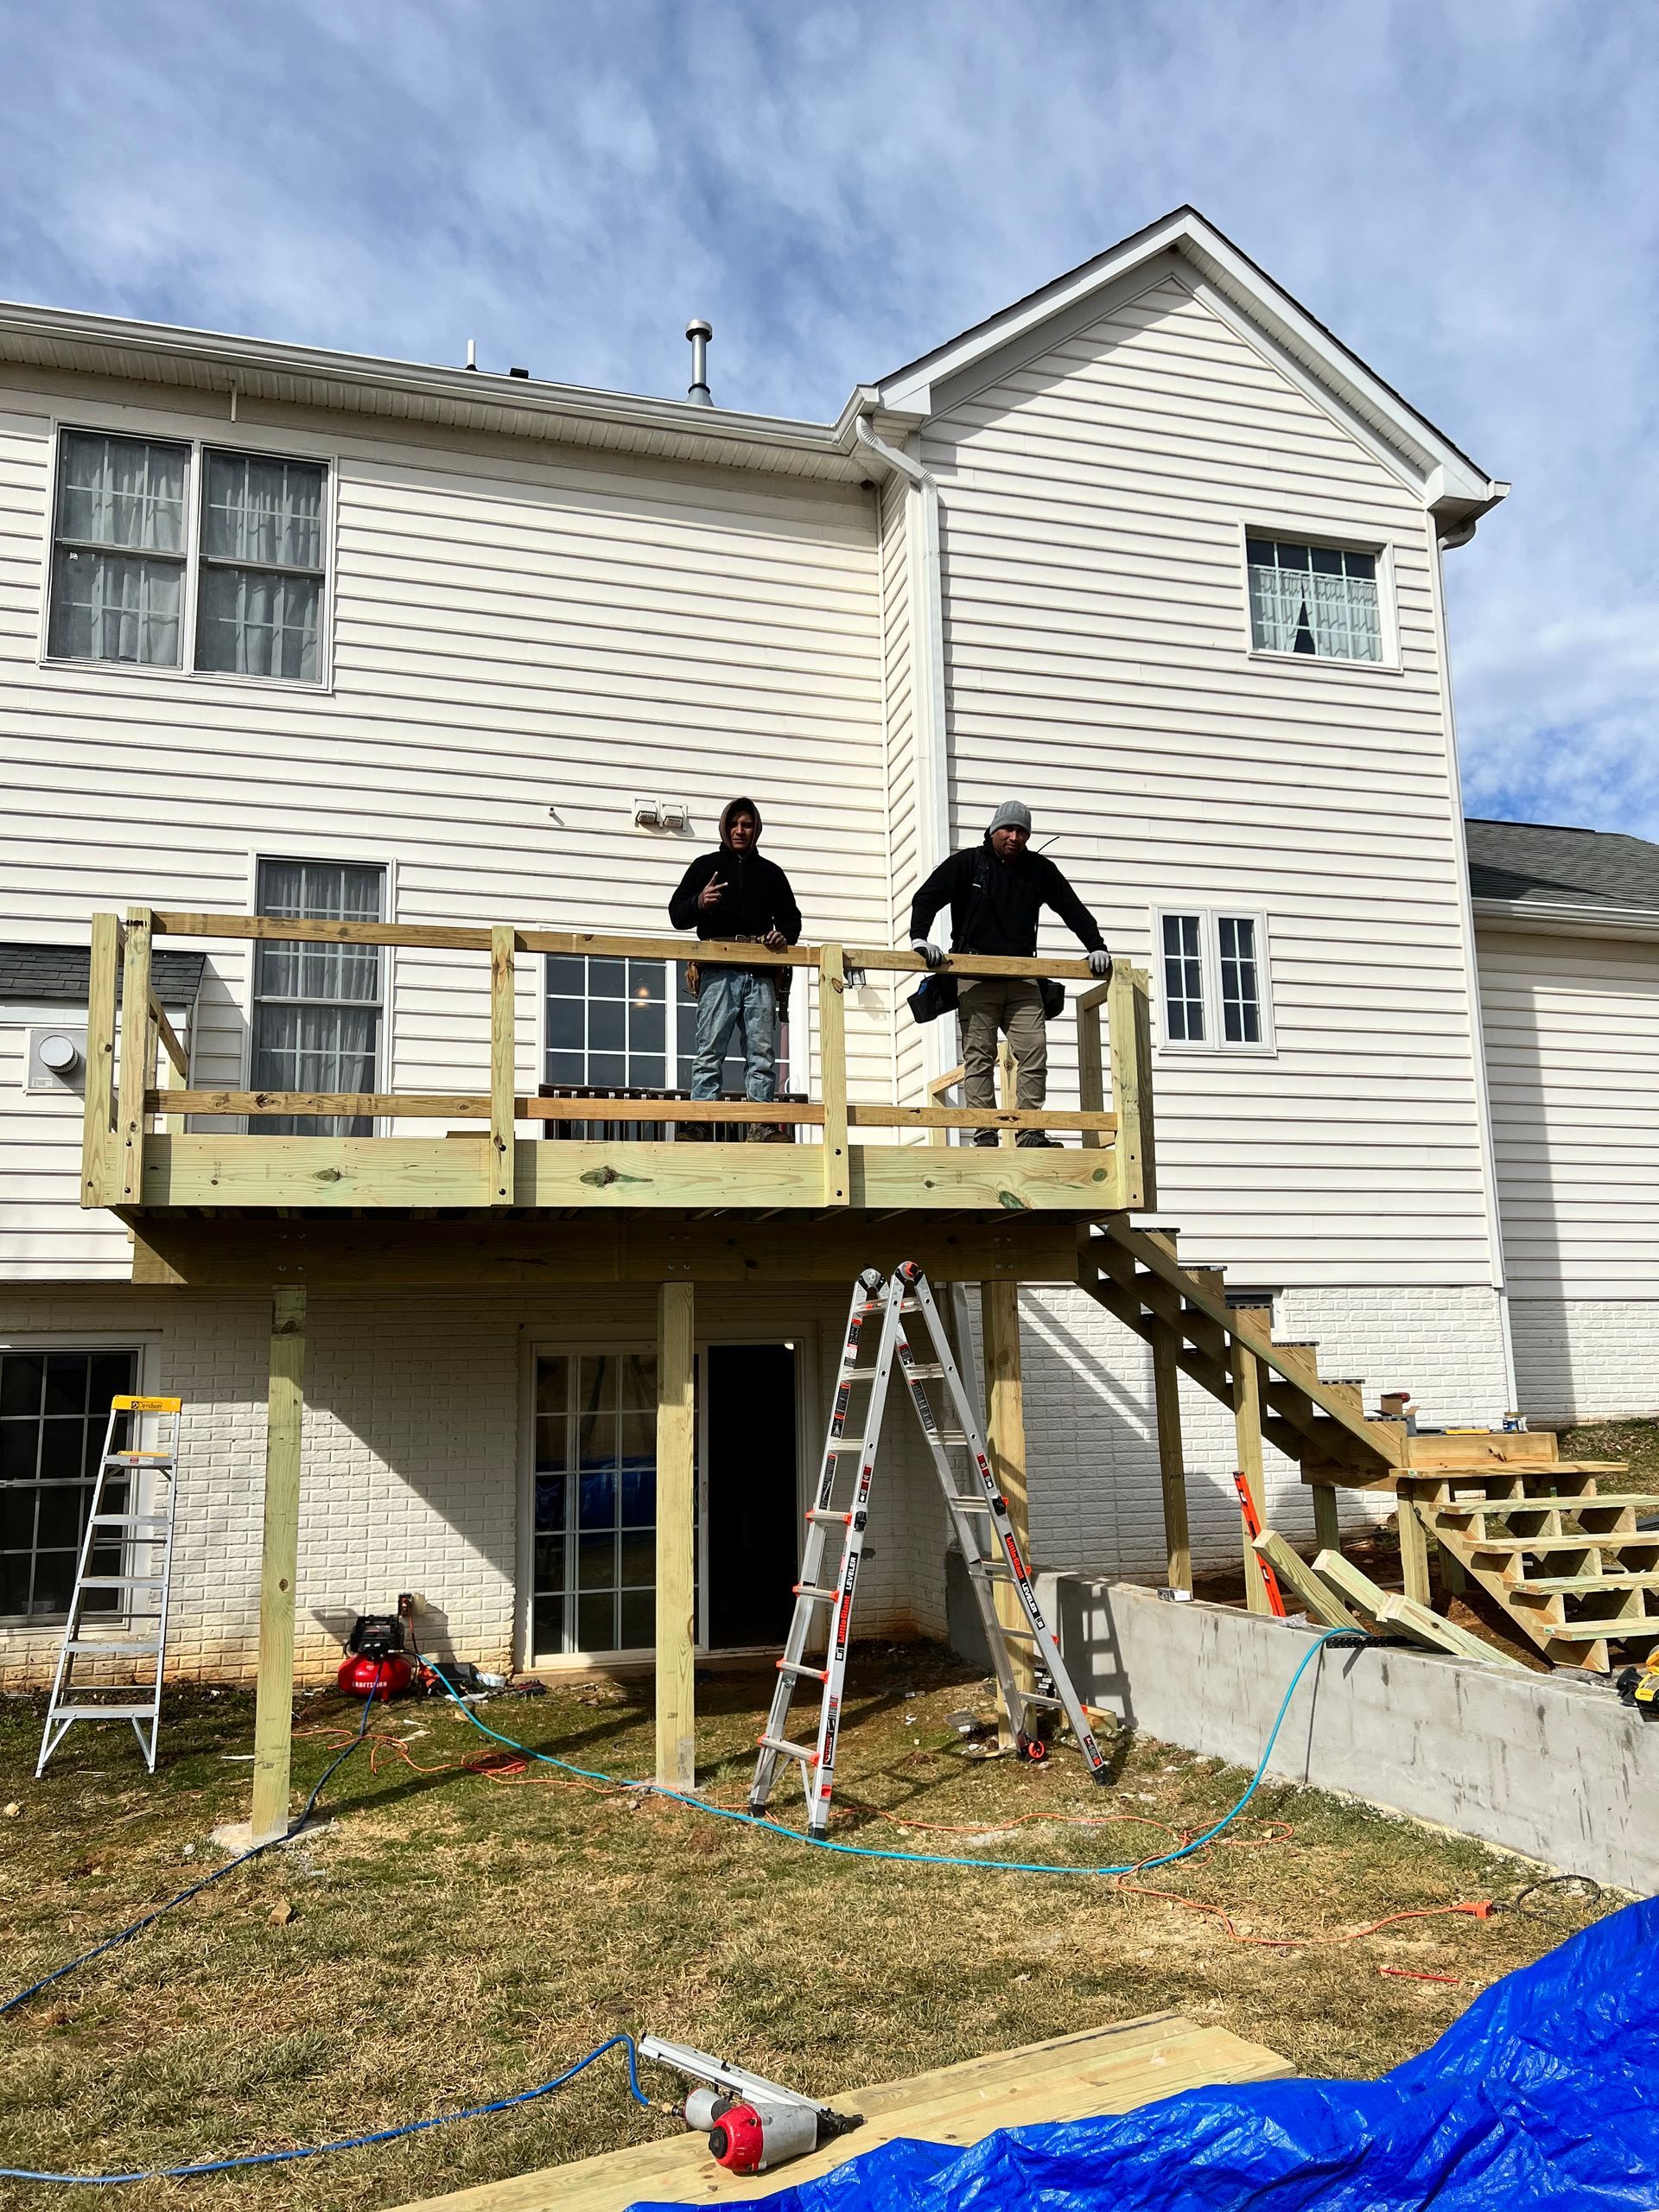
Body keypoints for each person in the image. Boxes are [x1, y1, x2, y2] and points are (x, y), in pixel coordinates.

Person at [909, 799, 1110, 1147]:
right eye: (1008, 829)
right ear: (993, 830)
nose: (1014, 837)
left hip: (1022, 978)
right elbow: (927, 897)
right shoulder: (968, 864)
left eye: (1022, 831)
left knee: (1034, 1052)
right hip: (976, 976)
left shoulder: (1038, 870)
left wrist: (1096, 945)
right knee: (980, 1055)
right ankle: (985, 1132)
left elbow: (1072, 908)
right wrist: (919, 939)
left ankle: (1029, 1130)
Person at [668, 797, 802, 1139]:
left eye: (747, 825)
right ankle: (700, 1122)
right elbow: (676, 914)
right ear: (725, 828)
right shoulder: (705, 866)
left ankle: (761, 1125)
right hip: (717, 969)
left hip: (758, 970)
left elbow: (791, 919)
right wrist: (700, 901)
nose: (739, 830)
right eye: (734, 824)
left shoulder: (771, 873)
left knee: (761, 1053)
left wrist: (780, 937)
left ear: (756, 829)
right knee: (710, 1049)